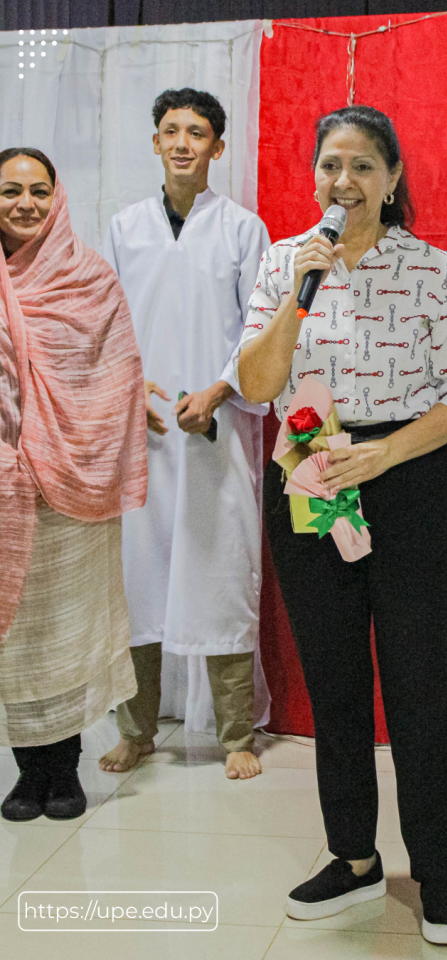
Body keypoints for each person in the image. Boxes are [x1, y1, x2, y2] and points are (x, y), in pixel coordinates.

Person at [236, 105, 447, 946]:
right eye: (329, 166)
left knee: (418, 683)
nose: (342, 183)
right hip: (309, 473)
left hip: (407, 480)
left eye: (361, 167)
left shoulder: (429, 269)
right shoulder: (285, 264)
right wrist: (295, 305)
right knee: (336, 681)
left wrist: (385, 458)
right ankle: (351, 858)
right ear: (314, 177)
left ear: (391, 180)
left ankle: (438, 869)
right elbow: (258, 381)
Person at [98, 88, 270, 781]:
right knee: (136, 578)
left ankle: (235, 734)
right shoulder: (125, 228)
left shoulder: (241, 229)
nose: (181, 143)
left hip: (216, 429)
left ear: (217, 148)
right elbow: (106, 323)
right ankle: (135, 730)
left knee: (220, 568)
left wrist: (221, 390)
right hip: (138, 427)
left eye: (196, 132)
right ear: (154, 141)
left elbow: (261, 331)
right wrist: (129, 388)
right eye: (169, 130)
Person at [0, 148, 147, 822]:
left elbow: (118, 373)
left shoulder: (88, 277)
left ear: (56, 197)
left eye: (37, 190)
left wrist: (69, 440)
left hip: (72, 480)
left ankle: (66, 770)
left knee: (66, 626)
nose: (24, 203)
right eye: (9, 191)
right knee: (15, 635)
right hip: (4, 486)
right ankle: (28, 773)